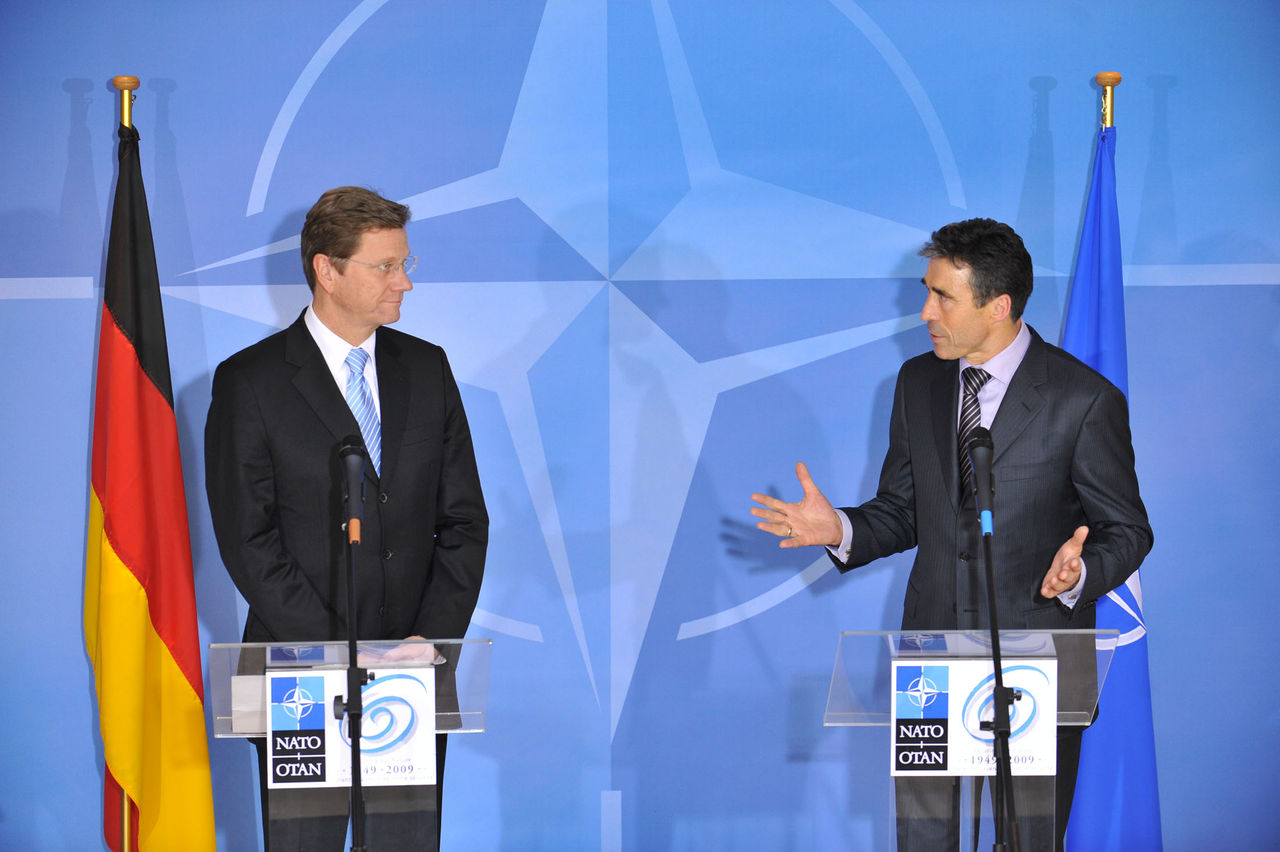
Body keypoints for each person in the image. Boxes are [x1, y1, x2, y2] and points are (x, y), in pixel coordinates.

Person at [750, 218, 1151, 851]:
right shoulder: (918, 383)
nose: (924, 312)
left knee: (1028, 840)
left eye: (943, 298)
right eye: (926, 291)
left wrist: (1080, 574)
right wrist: (844, 527)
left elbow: (1128, 530)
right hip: (930, 664)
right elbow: (907, 510)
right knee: (925, 840)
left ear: (999, 307)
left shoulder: (1083, 399)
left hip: (1036, 665)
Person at [206, 186, 488, 851]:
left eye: (404, 263)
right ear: (327, 271)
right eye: (385, 267)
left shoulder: (428, 368)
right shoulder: (250, 382)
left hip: (411, 678)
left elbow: (465, 521)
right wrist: (341, 653)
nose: (405, 283)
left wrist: (427, 643)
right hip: (299, 678)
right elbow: (249, 541)